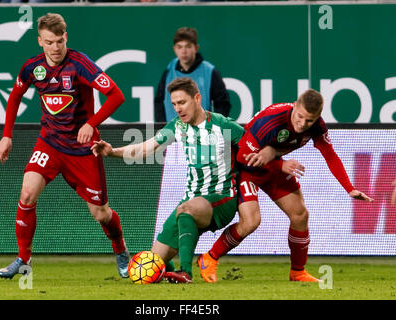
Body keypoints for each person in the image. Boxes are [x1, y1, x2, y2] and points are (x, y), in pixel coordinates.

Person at [0, 13, 130, 279]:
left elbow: (116, 95)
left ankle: (121, 250)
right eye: (49, 42)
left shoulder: (80, 64)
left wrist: (91, 123)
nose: (55, 48)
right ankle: (23, 260)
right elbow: (14, 96)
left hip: (83, 149)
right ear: (40, 41)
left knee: (101, 214)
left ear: (65, 37)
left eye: (59, 41)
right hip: (50, 143)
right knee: (27, 194)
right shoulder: (32, 68)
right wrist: (6, 135)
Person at [198, 89, 374, 283]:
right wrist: (281, 164)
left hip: (272, 167)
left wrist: (349, 188)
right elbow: (242, 156)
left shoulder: (317, 126)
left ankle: (297, 272)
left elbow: (330, 154)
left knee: (300, 214)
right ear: (295, 106)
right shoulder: (272, 120)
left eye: (310, 120)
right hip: (247, 168)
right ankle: (209, 257)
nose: (303, 124)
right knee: (251, 221)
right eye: (300, 117)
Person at [92, 77, 243, 283]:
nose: (178, 109)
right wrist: (112, 152)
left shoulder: (223, 126)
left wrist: (278, 166)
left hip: (221, 199)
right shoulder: (178, 126)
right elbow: (146, 147)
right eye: (174, 104)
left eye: (182, 102)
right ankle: (171, 269)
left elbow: (254, 149)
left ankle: (186, 272)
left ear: (197, 98)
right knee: (154, 263)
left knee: (186, 209)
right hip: (191, 200)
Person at [154, 27, 231, 122]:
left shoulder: (210, 71)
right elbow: (158, 102)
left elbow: (223, 104)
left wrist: (213, 126)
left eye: (188, 46)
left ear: (196, 48)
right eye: (179, 47)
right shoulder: (169, 70)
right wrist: (163, 128)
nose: (184, 51)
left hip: (202, 134)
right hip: (173, 134)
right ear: (174, 49)